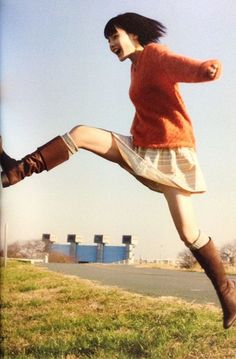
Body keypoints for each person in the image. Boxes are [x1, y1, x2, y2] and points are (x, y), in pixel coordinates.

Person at [1, 12, 235, 329]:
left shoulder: (155, 54)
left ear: (134, 33)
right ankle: (17, 169)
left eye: (115, 35)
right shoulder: (135, 67)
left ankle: (227, 293)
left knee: (189, 233)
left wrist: (206, 69)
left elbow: (185, 67)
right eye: (108, 40)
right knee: (81, 133)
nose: (111, 44)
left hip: (172, 153)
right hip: (139, 147)